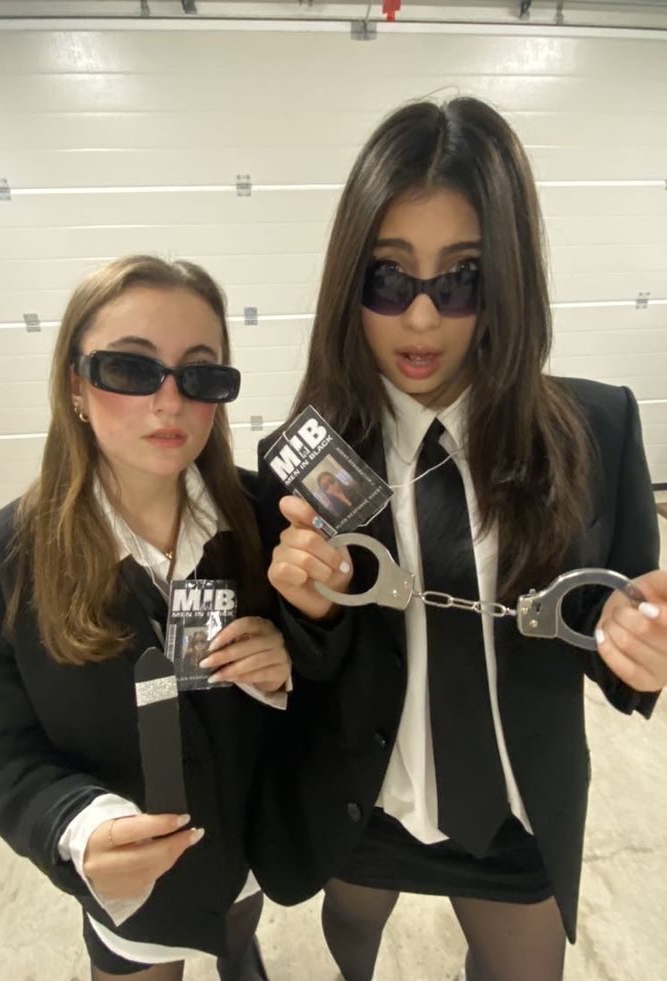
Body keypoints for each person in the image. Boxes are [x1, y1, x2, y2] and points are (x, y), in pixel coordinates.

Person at [255, 98, 667, 981]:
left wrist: (642, 651)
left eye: (464, 278)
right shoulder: (307, 454)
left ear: (509, 279)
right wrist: (310, 614)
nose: (421, 319)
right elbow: (298, 671)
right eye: (390, 278)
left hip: (512, 812)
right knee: (352, 941)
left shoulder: (598, 426)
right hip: (370, 801)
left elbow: (612, 621)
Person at [0, 255, 291, 980]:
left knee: (236, 920)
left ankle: (235, 947)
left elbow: (346, 678)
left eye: (200, 375)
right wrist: (77, 826)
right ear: (75, 384)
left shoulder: (269, 523)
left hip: (253, 843)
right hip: (136, 894)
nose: (170, 403)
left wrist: (296, 657)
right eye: (131, 370)